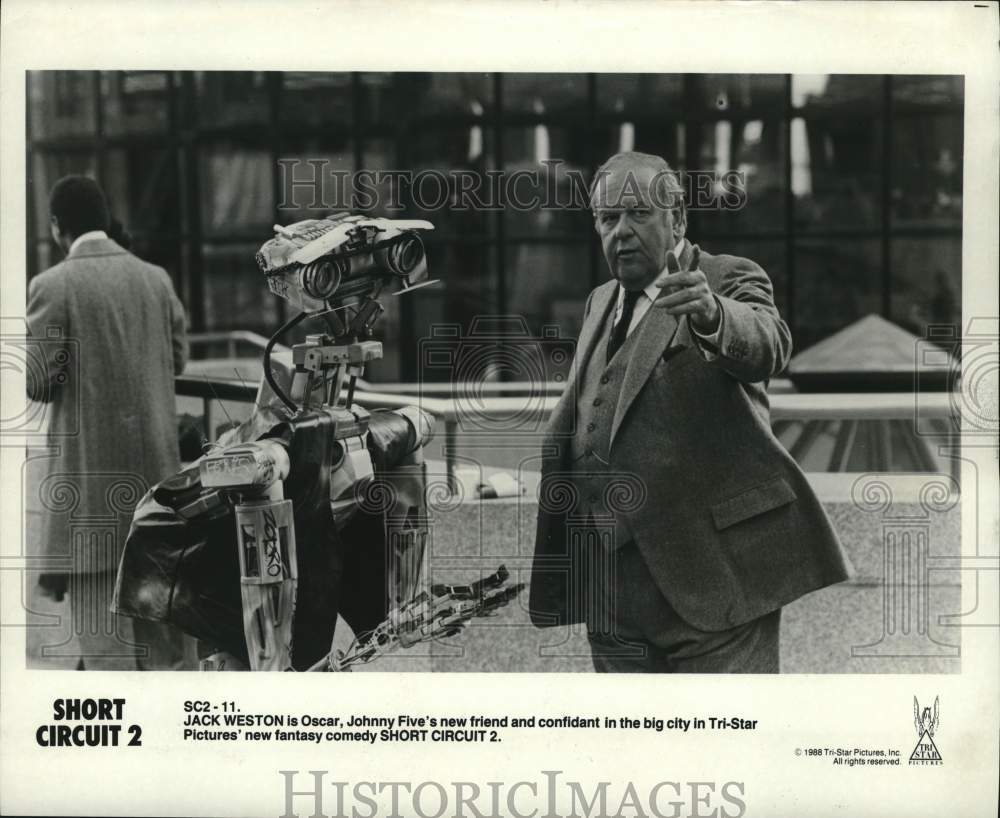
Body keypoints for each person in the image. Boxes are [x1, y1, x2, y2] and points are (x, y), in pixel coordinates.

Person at [528, 152, 852, 673]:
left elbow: (767, 344)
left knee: (721, 749)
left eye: (638, 214)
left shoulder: (725, 278)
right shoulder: (599, 301)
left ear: (676, 219)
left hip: (716, 585)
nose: (622, 232)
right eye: (608, 219)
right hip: (611, 597)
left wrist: (711, 314)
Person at [26, 175, 193, 670]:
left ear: (58, 226)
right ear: (104, 218)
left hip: (90, 508)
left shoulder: (51, 286)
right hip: (157, 503)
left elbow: (36, 381)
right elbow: (178, 359)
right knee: (164, 659)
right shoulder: (156, 279)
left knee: (106, 661)